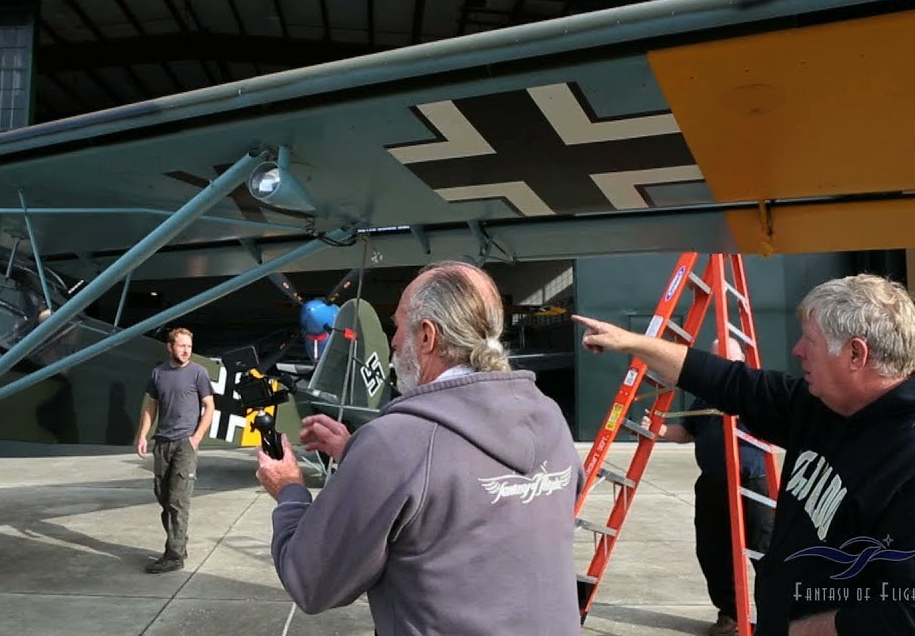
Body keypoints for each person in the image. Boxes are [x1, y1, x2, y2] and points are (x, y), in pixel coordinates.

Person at [574, 274, 915, 635]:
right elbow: (730, 381)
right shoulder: (825, 406)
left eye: (809, 340)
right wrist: (631, 342)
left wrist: (794, 630)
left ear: (855, 354)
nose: (797, 351)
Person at [256, 261, 584, 635]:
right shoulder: (551, 417)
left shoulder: (396, 443)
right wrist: (356, 453)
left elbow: (311, 582)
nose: (393, 341)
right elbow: (467, 491)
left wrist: (290, 492)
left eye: (397, 325)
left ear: (427, 337)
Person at [641, 338, 774, 636]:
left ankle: (773, 618)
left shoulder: (756, 390)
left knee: (764, 551)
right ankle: (730, 615)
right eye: (715, 359)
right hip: (713, 483)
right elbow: (688, 431)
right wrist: (661, 430)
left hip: (750, 482)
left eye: (726, 358)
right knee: (713, 551)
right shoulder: (705, 396)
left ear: (741, 360)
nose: (720, 365)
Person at [136, 327, 215, 574]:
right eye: (181, 346)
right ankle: (179, 544)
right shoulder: (158, 373)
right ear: (170, 347)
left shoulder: (198, 373)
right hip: (162, 442)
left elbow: (209, 406)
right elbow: (151, 406)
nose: (186, 351)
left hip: (184, 444)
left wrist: (196, 438)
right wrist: (142, 435)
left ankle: (174, 555)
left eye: (189, 346)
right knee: (163, 496)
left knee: (178, 500)